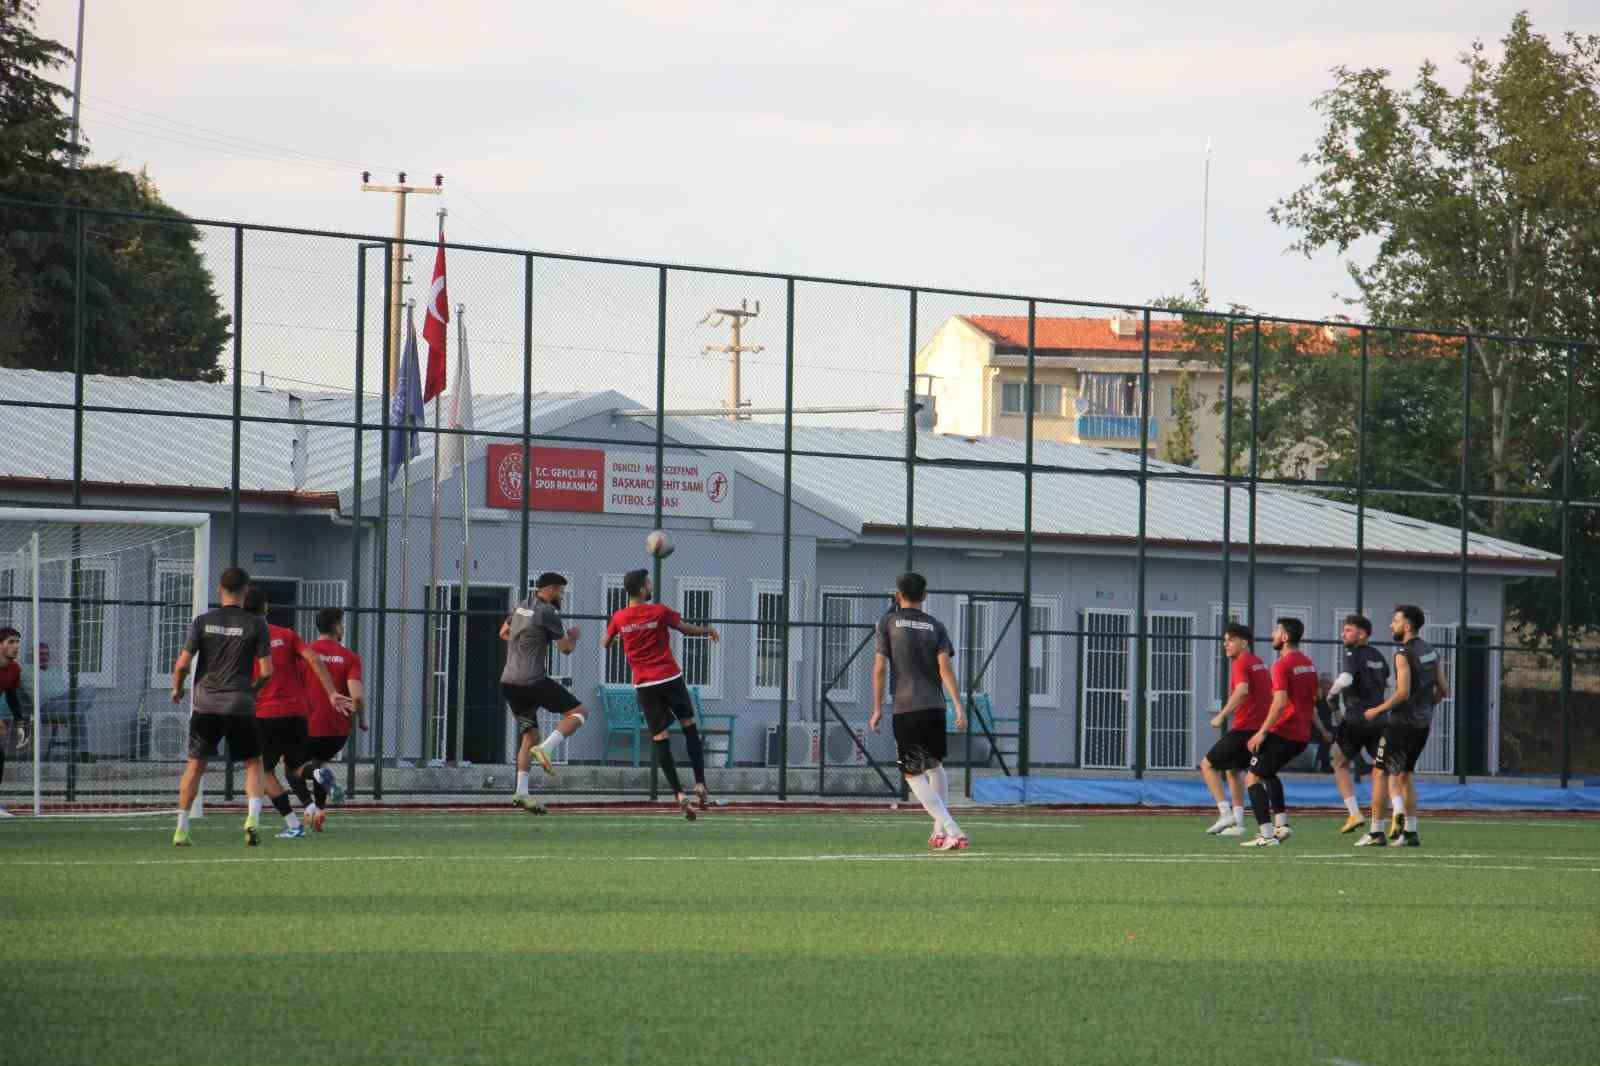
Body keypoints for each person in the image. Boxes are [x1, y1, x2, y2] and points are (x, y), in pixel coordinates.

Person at [601, 568, 721, 818]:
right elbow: (685, 629)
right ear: (643, 589)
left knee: (660, 737)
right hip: (669, 677)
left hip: (644, 684)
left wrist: (615, 640)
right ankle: (700, 782)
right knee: (688, 725)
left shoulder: (619, 618)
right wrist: (707, 629)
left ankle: (679, 793)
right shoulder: (658, 611)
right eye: (649, 583)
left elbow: (605, 642)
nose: (651, 585)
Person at [168, 567, 272, 847]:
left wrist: (177, 688)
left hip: (206, 704)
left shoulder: (203, 621)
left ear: (219, 590)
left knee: (196, 765)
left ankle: (181, 828)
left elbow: (182, 665)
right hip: (240, 704)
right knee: (253, 763)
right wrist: (252, 691)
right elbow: (266, 672)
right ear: (246, 591)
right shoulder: (256, 624)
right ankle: (251, 819)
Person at [869, 572, 968, 851]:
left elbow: (879, 669)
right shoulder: (936, 626)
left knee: (912, 774)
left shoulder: (888, 622)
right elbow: (945, 669)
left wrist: (877, 708)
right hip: (936, 707)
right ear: (925, 596)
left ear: (898, 595)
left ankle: (951, 829)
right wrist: (958, 706)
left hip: (907, 707)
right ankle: (939, 832)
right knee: (934, 765)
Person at [246, 589, 352, 839]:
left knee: (263, 772)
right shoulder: (287, 634)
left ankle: (293, 824)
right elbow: (314, 659)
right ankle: (315, 786)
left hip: (265, 713)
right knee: (294, 768)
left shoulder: (244, 640)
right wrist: (332, 693)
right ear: (266, 608)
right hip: (297, 714)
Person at [1355, 606, 1446, 848]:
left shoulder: (1402, 654)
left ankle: (1376, 832)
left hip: (1400, 725)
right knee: (1405, 775)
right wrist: (1426, 707)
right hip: (1422, 725)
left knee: (1379, 773)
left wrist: (1377, 710)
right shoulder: (1431, 651)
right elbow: (1444, 690)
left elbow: (1402, 693)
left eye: (1395, 621)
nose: (1390, 625)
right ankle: (1411, 832)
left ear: (1407, 626)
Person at [500, 572, 585, 814]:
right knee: (579, 712)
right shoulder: (548, 612)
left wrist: (523, 646)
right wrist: (574, 637)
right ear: (549, 590)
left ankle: (521, 792)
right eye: (560, 591)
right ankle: (546, 749)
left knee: (530, 735)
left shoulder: (519, 606)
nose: (561, 596)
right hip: (532, 680)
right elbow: (566, 649)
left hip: (509, 681)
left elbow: (503, 633)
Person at [1240, 617, 1317, 847]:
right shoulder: (1308, 663)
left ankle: (1267, 835)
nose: (1273, 634)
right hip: (1301, 734)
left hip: (1284, 732)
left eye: (1276, 630)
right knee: (1267, 772)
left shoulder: (1281, 664)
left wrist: (1262, 732)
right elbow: (1311, 700)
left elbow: (1280, 702)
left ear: (1285, 637)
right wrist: (1320, 729)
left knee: (1252, 778)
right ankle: (1281, 825)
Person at [1199, 623, 1270, 837]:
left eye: (1230, 640)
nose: (1225, 645)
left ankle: (1225, 813)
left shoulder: (1241, 663)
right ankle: (1237, 824)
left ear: (1244, 642)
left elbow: (1241, 691)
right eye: (1224, 641)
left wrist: (1221, 715)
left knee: (1207, 765)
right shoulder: (1259, 663)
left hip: (1245, 730)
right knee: (1232, 771)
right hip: (1258, 730)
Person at [302, 608, 366, 829]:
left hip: (306, 726)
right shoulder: (350, 657)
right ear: (337, 627)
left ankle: (309, 808)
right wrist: (362, 719)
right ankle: (319, 812)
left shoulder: (305, 653)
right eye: (342, 623)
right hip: (337, 732)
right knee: (320, 764)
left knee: (293, 768)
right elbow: (356, 696)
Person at [1327, 614, 1390, 834]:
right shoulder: (1380, 657)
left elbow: (1346, 680)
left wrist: (1331, 693)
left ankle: (1354, 813)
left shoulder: (1352, 653)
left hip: (1356, 719)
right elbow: (1386, 682)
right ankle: (1399, 814)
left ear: (1362, 634)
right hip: (1380, 719)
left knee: (1338, 760)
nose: (1343, 634)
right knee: (1385, 769)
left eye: (1348, 630)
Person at [0, 626, 30, 818]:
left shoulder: (14, 669)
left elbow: (11, 695)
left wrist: (20, 722)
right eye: (11, 642)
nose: (16, 646)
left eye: (17, 641)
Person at [1312, 674, 1337, 773]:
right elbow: (1313, 715)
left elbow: (1338, 715)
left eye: (1330, 684)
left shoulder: (1333, 697)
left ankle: (1359, 764)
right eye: (1325, 683)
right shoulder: (1315, 697)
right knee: (1327, 732)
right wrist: (1324, 732)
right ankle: (1324, 764)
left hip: (1327, 727)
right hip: (1314, 727)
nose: (1328, 686)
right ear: (1320, 684)